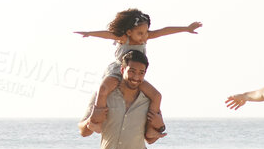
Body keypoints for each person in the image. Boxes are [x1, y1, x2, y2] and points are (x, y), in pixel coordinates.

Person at [74, 8, 201, 140]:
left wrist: (186, 28)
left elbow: (163, 31)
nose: (144, 36)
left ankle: (151, 129)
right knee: (105, 87)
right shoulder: (124, 38)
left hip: (135, 75)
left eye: (146, 32)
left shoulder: (145, 38)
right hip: (117, 71)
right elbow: (108, 34)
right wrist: (89, 33)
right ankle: (96, 121)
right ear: (129, 32)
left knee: (156, 96)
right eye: (140, 33)